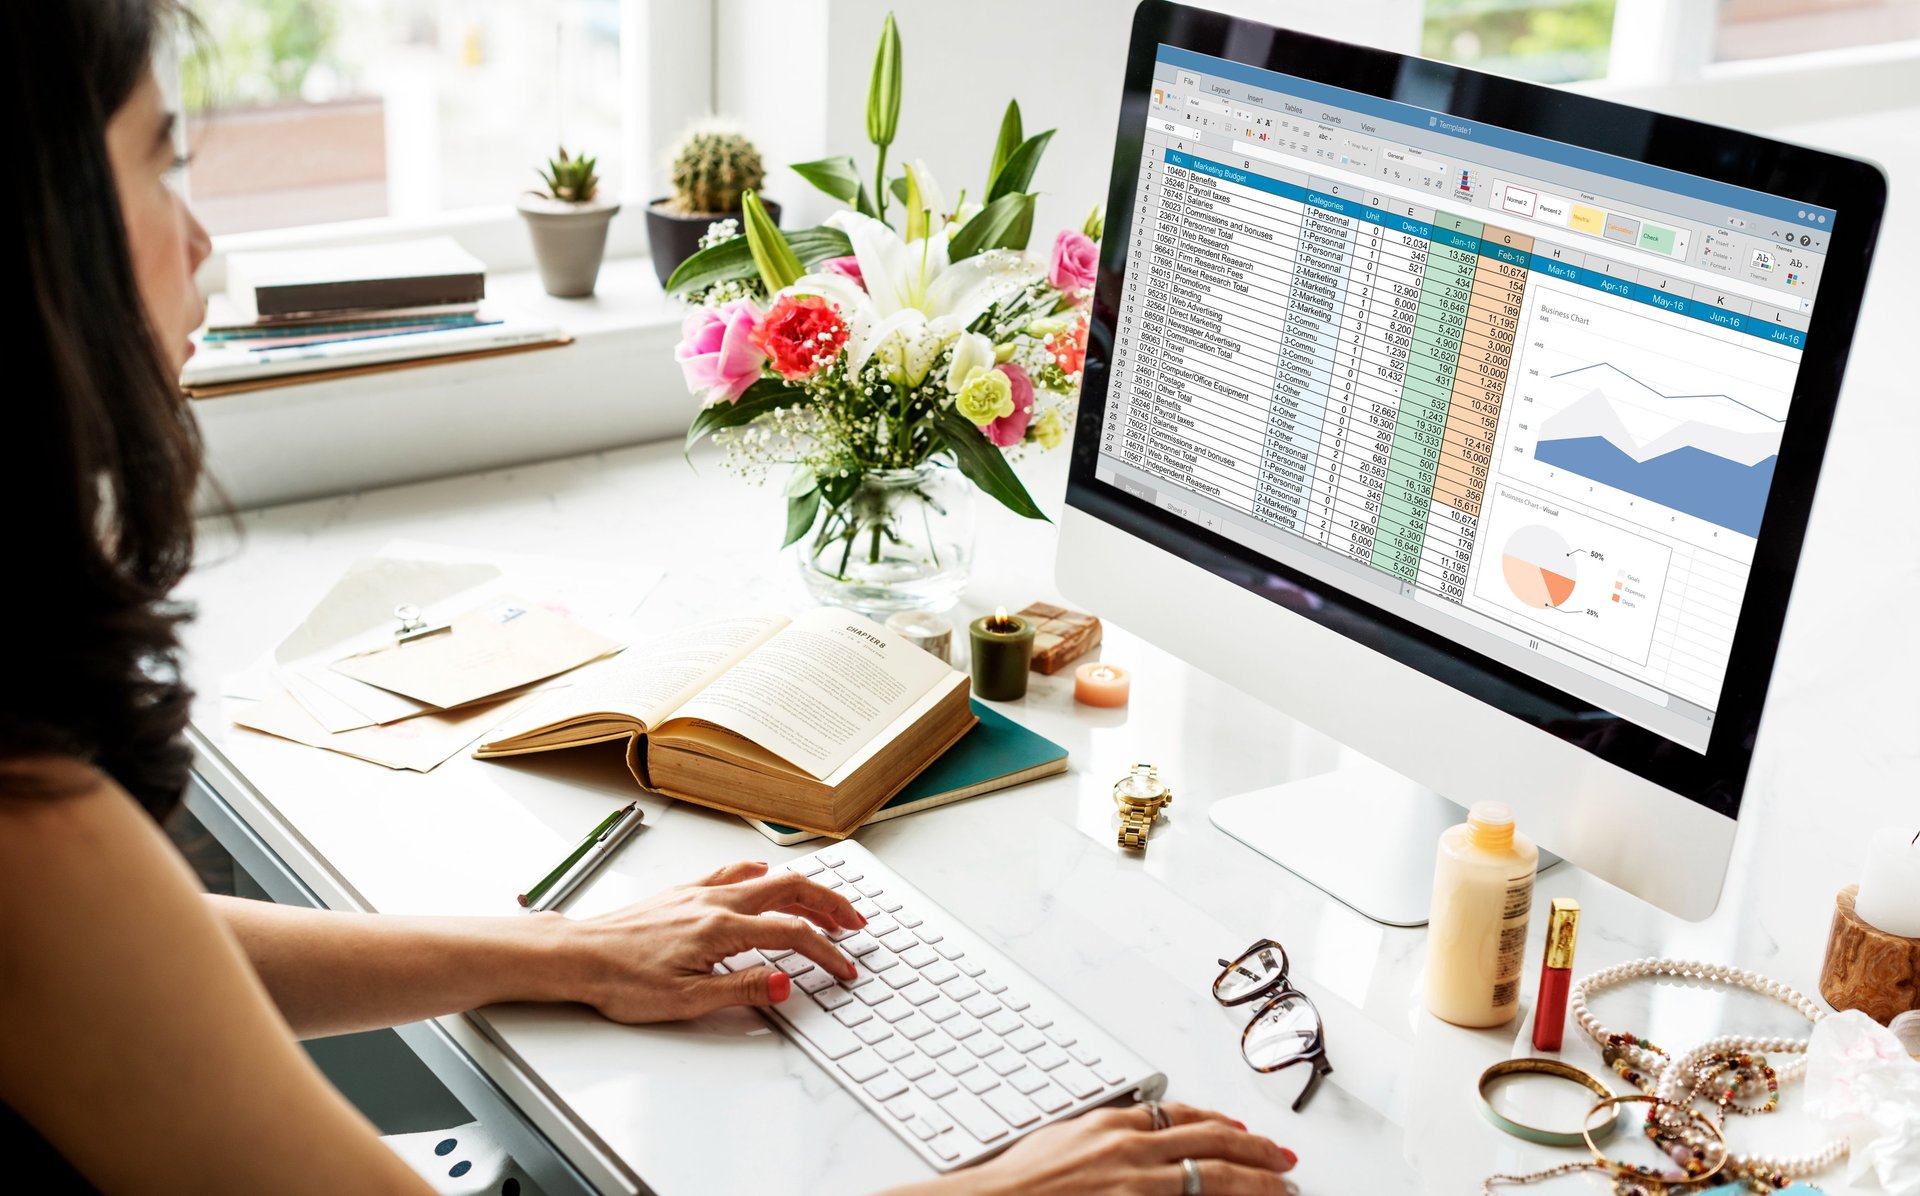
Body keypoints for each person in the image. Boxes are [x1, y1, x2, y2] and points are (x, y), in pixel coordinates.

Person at [0, 3, 1304, 1193]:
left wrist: (562, 953)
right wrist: (988, 1191)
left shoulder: (49, 858)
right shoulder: (32, 831)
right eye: (162, 162)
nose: (204, 247)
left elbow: (132, 961)